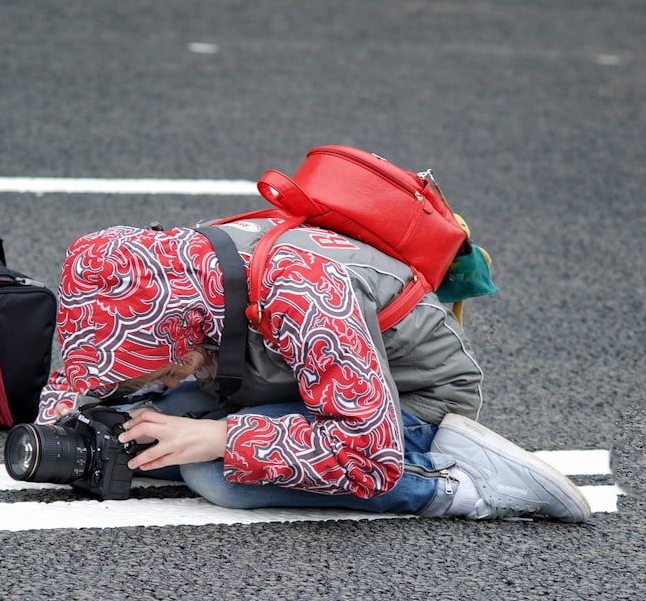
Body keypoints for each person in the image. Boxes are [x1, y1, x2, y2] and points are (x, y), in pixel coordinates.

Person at [35, 217, 590, 522]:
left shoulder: (304, 296)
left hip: (409, 401)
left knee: (217, 475)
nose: (168, 381)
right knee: (145, 430)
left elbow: (366, 450)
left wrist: (222, 436)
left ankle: (460, 483)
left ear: (172, 331)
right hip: (313, 373)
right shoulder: (186, 273)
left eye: (161, 370)